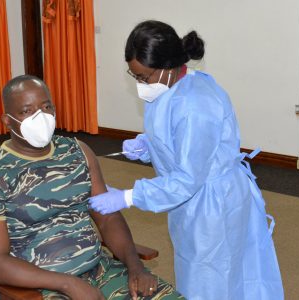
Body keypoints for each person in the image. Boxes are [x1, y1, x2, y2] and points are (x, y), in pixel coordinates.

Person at [89, 20, 284, 300]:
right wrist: (148, 145)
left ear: (168, 66)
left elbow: (185, 179)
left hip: (213, 207)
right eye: (135, 76)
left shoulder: (196, 105)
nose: (141, 84)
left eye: (144, 77)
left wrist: (129, 197)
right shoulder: (173, 86)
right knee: (202, 270)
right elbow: (178, 140)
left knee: (211, 278)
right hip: (194, 203)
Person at [0, 75, 184, 300]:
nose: (40, 116)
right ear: (7, 120)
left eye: (46, 107)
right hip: (35, 289)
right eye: (27, 111)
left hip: (100, 271)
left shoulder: (78, 151)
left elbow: (107, 218)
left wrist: (136, 268)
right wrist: (68, 284)